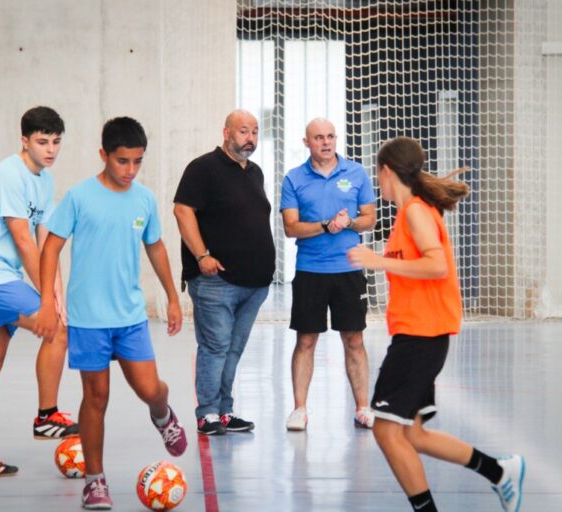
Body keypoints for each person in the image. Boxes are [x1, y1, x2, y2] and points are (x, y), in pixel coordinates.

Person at [347, 136, 525, 512]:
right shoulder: (412, 211)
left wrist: (378, 262)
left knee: (385, 430)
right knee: (411, 433)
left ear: (386, 171)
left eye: (377, 174)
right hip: (420, 334)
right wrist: (381, 259)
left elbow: (436, 265)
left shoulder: (414, 210)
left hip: (421, 336)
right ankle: (499, 472)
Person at [35, 117, 187, 510]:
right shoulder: (79, 197)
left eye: (138, 162)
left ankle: (164, 416)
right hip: (88, 319)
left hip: (130, 316)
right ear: (103, 155)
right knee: (96, 396)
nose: (130, 170)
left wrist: (172, 296)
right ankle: (95, 480)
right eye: (122, 161)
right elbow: (50, 248)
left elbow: (155, 247)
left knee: (149, 389)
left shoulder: (144, 199)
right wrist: (47, 304)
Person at [0, 106, 77, 479]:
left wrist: (57, 293)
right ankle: (46, 417)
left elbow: (47, 243)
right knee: (57, 330)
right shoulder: (11, 174)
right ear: (24, 140)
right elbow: (24, 242)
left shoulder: (43, 181)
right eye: (42, 142)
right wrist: (46, 301)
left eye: (56, 142)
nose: (50, 150)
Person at [173, 109, 275, 436]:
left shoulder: (255, 172)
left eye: (255, 132)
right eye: (244, 131)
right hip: (216, 282)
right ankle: (207, 414)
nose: (250, 138)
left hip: (255, 283)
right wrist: (201, 254)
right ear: (226, 133)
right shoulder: (203, 168)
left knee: (233, 349)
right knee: (215, 347)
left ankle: (224, 410)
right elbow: (182, 209)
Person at [280, 118, 377, 431]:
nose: (326, 142)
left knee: (354, 339)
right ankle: (299, 410)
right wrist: (325, 225)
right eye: (318, 137)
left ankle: (363, 408)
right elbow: (290, 227)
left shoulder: (356, 173)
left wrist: (348, 223)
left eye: (331, 136)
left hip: (349, 270)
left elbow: (370, 219)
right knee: (306, 341)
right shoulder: (294, 179)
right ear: (306, 142)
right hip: (311, 271)